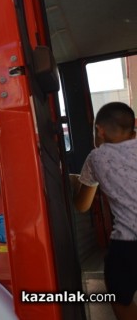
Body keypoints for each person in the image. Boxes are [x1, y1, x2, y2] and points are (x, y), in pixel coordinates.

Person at [73, 102, 137, 320]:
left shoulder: (97, 158)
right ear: (135, 124)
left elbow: (82, 205)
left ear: (99, 130)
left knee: (121, 299)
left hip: (129, 245)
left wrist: (75, 183)